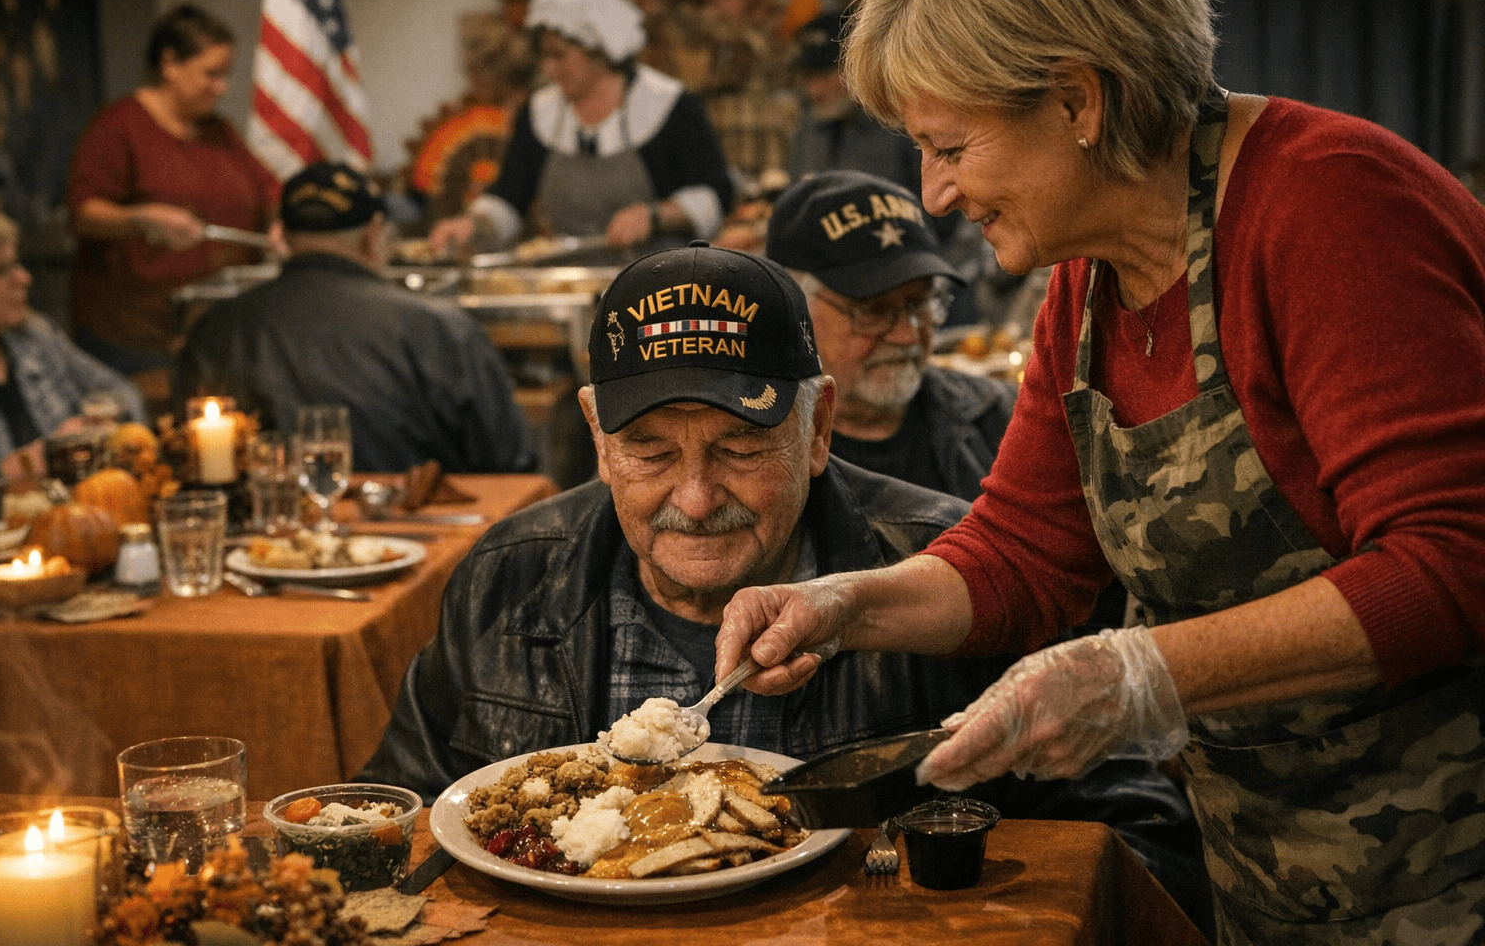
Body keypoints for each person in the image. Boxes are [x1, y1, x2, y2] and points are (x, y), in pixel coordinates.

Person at [714, 0, 1485, 942]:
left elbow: (1454, 561)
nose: (935, 193)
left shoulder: (1329, 206)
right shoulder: (1090, 276)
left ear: (1078, 101)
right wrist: (843, 606)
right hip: (1273, 870)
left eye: (950, 148)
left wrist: (1140, 676)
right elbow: (1027, 553)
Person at [358, 242, 1211, 921]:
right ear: (596, 435)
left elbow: (1143, 843)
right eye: (650, 452)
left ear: (819, 427)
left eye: (740, 448)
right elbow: (397, 833)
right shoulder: (507, 577)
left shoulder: (959, 575)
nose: (695, 499)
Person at [176, 163, 535, 475]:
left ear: (281, 236)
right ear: (373, 234)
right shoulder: (439, 328)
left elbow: (187, 455)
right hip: (417, 528)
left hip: (271, 528)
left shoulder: (215, 329)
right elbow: (511, 459)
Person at [427, 0, 733, 259]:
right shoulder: (538, 112)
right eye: (544, 56)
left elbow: (715, 193)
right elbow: (510, 197)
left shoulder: (670, 105)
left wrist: (655, 215)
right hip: (568, 274)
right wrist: (474, 224)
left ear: (599, 50)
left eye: (559, 55)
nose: (548, 69)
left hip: (657, 278)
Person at [766, 170, 1012, 501]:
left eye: (920, 303)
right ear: (793, 311)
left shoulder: (1004, 419)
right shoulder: (753, 453)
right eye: (874, 311)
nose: (907, 336)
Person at [66, 4, 278, 376]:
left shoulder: (219, 131)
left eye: (225, 75)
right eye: (211, 74)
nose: (222, 88)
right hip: (136, 337)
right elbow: (84, 213)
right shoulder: (118, 128)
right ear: (170, 64)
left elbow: (266, 190)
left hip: (215, 329)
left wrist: (280, 223)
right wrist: (141, 218)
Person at [0, 202, 145, 476]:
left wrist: (101, 422)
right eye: (0, 270)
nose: (24, 278)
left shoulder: (34, 336)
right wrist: (37, 459)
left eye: (17, 263)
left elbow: (125, 394)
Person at [786, 12, 922, 197]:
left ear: (858, 67)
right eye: (808, 78)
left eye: (825, 76)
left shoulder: (900, 124)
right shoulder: (809, 126)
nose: (815, 91)